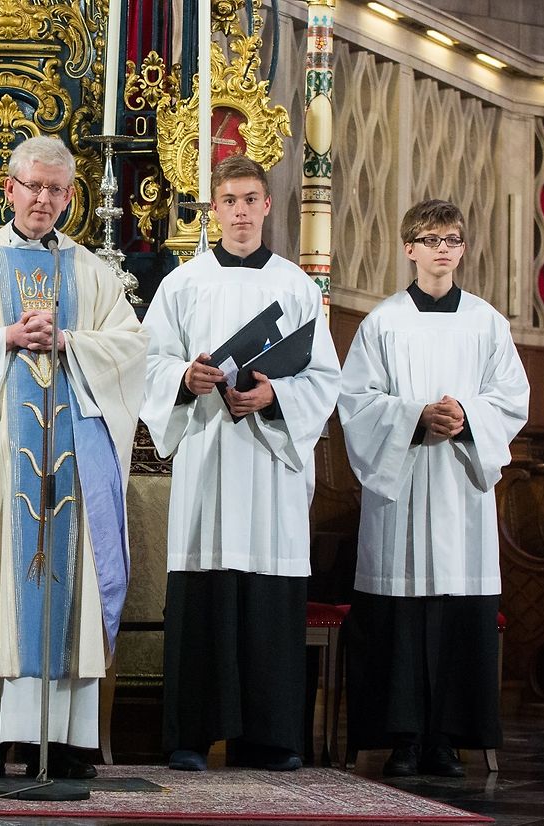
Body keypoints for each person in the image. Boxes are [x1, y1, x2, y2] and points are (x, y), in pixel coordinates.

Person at [0, 135, 148, 780]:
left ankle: (67, 744)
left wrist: (71, 341)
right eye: (31, 187)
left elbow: (132, 350)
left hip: (73, 454)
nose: (43, 200)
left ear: (72, 196)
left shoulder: (94, 273)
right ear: (7, 188)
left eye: (56, 190)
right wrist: (2, 340)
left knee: (72, 583)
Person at [140, 155, 341, 772]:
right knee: (203, 593)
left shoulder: (296, 286)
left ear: (268, 206)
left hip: (268, 463)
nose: (241, 212)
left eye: (251, 200)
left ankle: (272, 738)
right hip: (207, 455)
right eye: (229, 201)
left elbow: (325, 376)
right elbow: (149, 364)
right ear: (215, 209)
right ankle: (189, 737)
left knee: (267, 594)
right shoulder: (183, 283)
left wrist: (274, 394)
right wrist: (185, 376)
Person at [337, 199, 529, 778]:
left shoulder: (487, 322)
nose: (443, 248)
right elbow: (356, 401)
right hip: (403, 484)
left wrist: (466, 416)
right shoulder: (383, 323)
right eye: (431, 238)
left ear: (463, 248)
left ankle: (446, 738)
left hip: (459, 486)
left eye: (453, 238)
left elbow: (511, 398)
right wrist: (415, 418)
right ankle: (401, 738)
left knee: (456, 609)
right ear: (409, 248)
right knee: (400, 611)